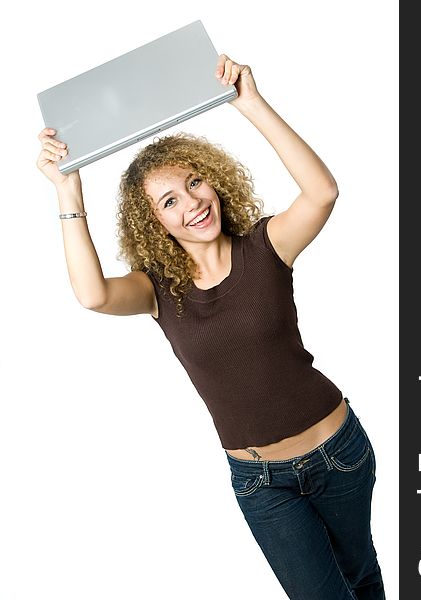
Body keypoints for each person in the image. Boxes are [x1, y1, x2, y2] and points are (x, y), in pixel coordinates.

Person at [37, 53, 386, 599]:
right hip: (261, 482)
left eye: (195, 182)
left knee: (361, 574)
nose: (192, 204)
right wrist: (66, 192)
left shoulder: (266, 246)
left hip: (340, 451)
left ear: (215, 182)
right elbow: (92, 295)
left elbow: (323, 193)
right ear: (153, 221)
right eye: (169, 201)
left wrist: (251, 103)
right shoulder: (157, 290)